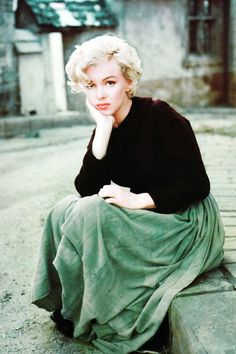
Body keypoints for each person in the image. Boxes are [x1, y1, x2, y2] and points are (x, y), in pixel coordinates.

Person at [32, 34, 225, 354]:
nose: (100, 94)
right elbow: (85, 189)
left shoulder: (161, 116)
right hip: (144, 218)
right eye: (91, 86)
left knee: (88, 213)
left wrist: (139, 199)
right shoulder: (105, 125)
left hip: (184, 220)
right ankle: (71, 305)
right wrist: (104, 132)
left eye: (109, 82)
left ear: (128, 82)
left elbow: (197, 185)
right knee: (63, 209)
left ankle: (107, 314)